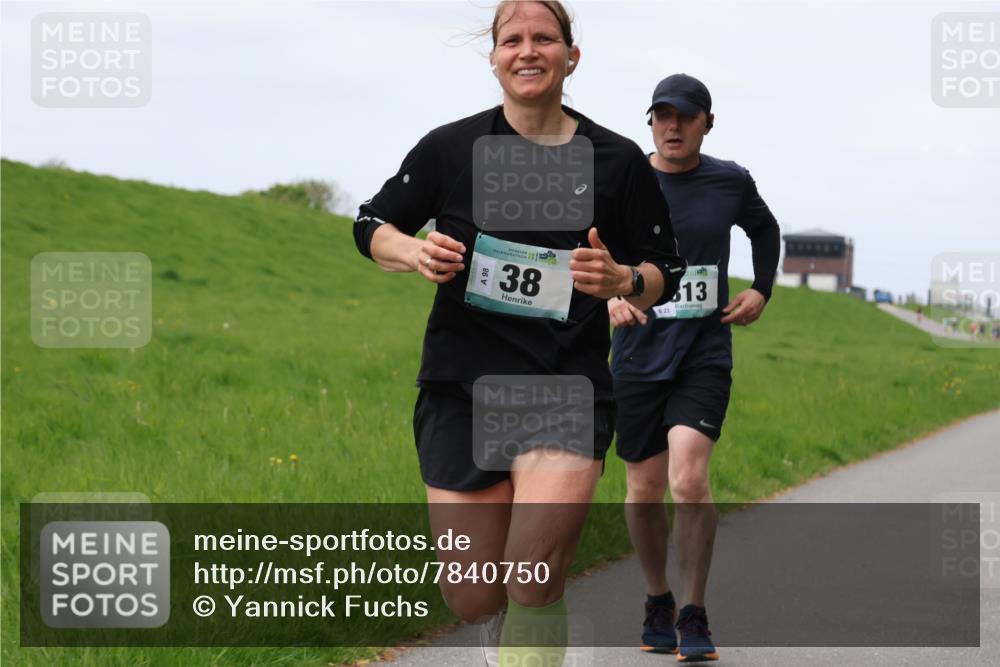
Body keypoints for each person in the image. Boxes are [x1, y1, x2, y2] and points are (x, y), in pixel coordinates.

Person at [352, 3, 685, 665]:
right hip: (460, 387)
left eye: (544, 38)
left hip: (565, 389)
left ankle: (530, 641)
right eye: (512, 39)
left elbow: (664, 272)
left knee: (533, 569)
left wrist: (621, 278)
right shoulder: (450, 149)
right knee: (472, 594)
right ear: (495, 57)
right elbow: (370, 225)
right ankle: (499, 627)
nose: (527, 50)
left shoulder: (617, 162)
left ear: (571, 55)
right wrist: (413, 252)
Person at [608, 73, 780, 662]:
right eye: (661, 115)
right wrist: (608, 296)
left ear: (708, 121)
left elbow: (765, 229)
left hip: (703, 353)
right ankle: (658, 596)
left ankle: (693, 610)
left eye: (684, 116)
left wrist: (762, 289)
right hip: (637, 354)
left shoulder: (729, 181)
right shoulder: (626, 179)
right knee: (643, 487)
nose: (672, 126)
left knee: (687, 478)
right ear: (650, 122)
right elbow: (586, 251)